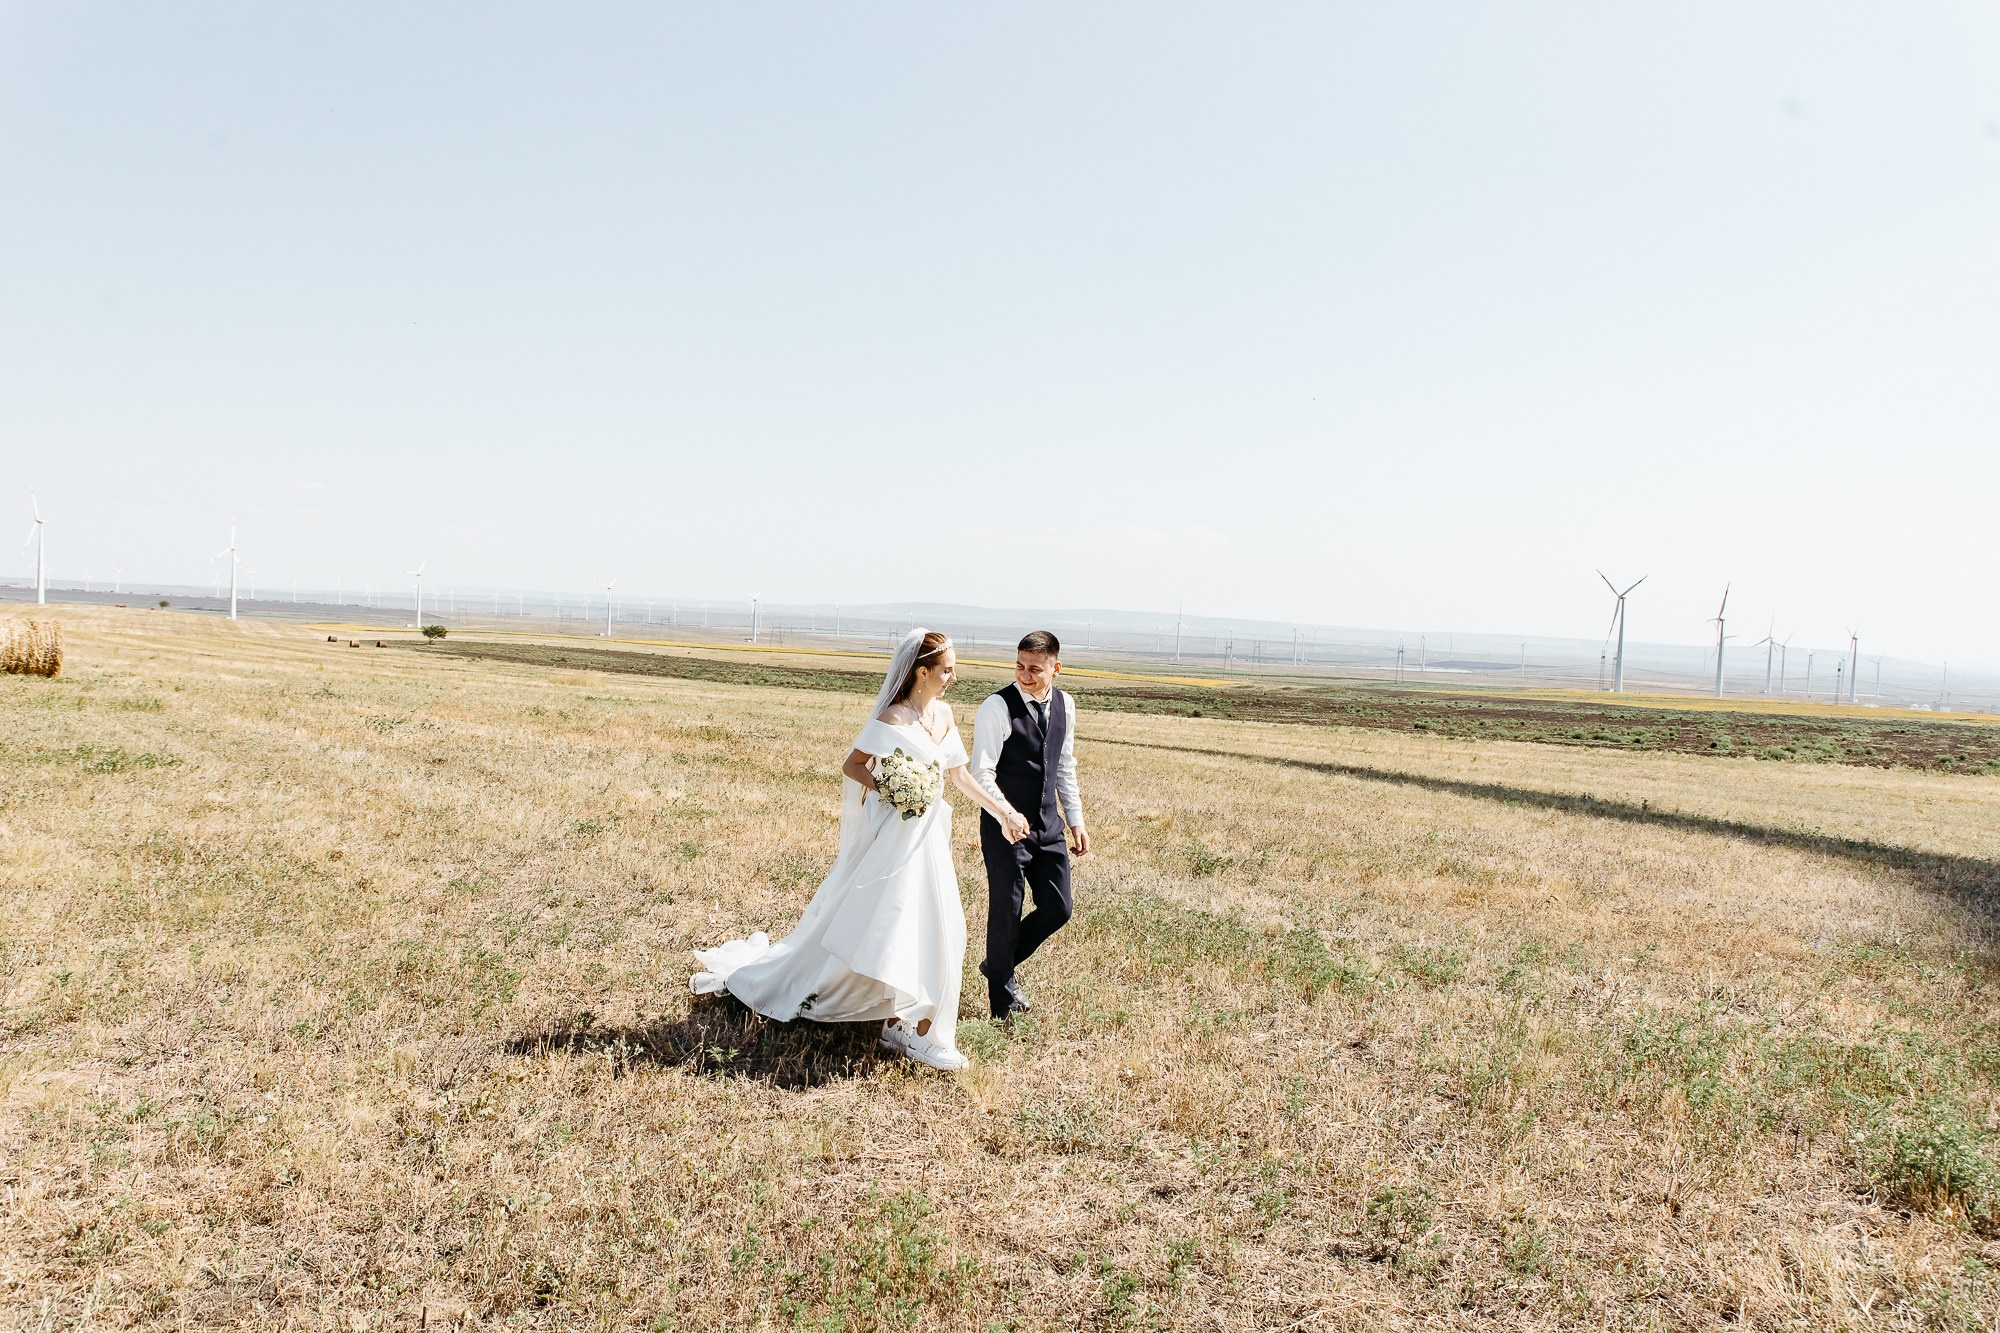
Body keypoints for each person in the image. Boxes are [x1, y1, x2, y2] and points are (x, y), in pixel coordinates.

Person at [690, 629, 1029, 1070]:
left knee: (942, 925)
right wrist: (892, 786)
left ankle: (908, 1021)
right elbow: (853, 765)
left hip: (931, 837)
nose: (953, 677)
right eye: (946, 670)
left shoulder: (944, 714)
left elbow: (961, 777)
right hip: (895, 839)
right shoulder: (892, 719)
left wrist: (1004, 813)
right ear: (921, 672)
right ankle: (907, 1025)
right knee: (894, 923)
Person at [971, 630, 1088, 1021]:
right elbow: (981, 773)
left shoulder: (1066, 705)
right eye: (1019, 666)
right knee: (1007, 910)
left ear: (1056, 668)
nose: (1024, 675)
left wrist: (1076, 820)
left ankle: (998, 965)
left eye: (1034, 669)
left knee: (1059, 907)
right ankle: (1002, 1006)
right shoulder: (996, 707)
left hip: (1049, 825)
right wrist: (1006, 813)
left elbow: (1064, 765)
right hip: (1004, 826)